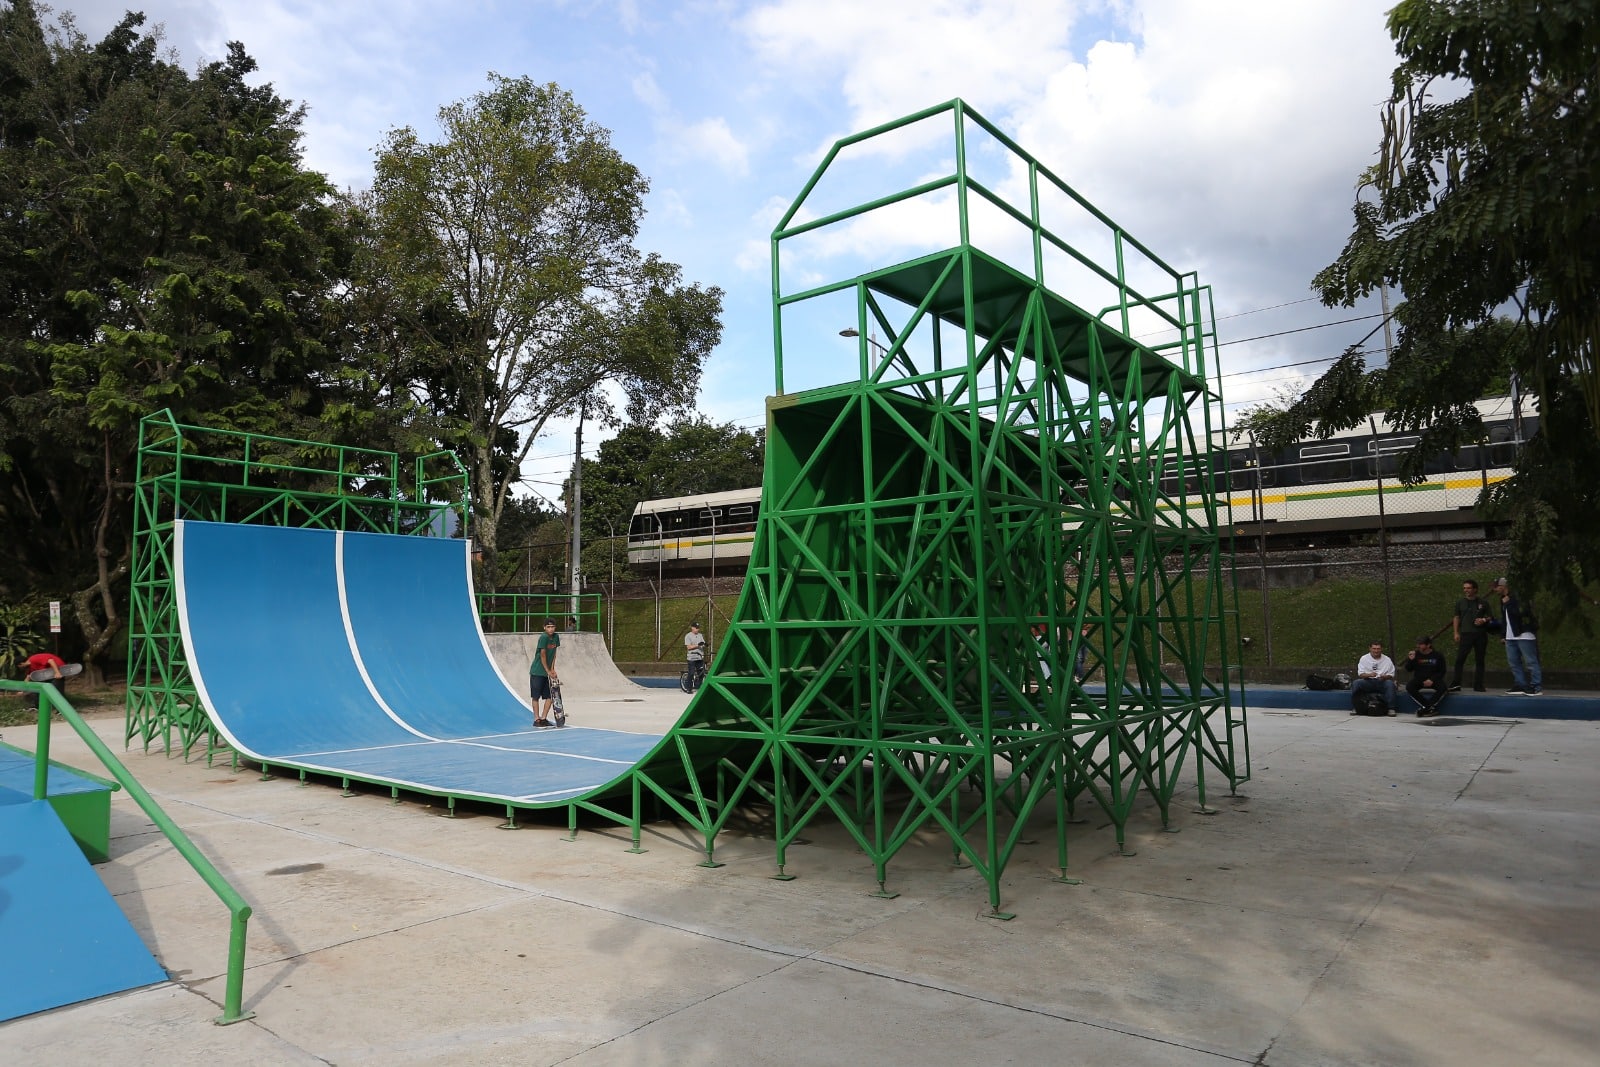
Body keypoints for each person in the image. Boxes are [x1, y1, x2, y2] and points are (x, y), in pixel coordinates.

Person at [1493, 577, 1543, 695]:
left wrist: (1508, 603)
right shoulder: (1503, 599)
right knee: (1514, 661)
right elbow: (1505, 618)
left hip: (1524, 634)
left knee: (1530, 661)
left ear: (1503, 586)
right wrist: (1503, 634)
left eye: (1496, 587)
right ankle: (1520, 684)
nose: (1495, 589)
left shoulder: (1518, 597)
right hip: (1511, 636)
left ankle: (1536, 686)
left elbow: (1522, 613)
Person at [1449, 579, 1496, 692]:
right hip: (1466, 634)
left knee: (1480, 659)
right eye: (1464, 588)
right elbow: (1456, 617)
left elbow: (1491, 617)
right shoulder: (1460, 602)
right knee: (1460, 659)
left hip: (1480, 634)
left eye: (1469, 588)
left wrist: (1483, 620)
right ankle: (1456, 683)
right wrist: (1456, 632)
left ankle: (1478, 684)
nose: (1466, 590)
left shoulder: (1483, 602)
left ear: (1475, 589)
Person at [1402, 635, 1448, 716]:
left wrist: (1432, 680)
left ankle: (1426, 708)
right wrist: (1410, 660)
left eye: (1421, 644)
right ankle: (1428, 707)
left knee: (1443, 688)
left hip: (1433, 679)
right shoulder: (1415, 654)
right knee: (1409, 686)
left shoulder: (1437, 655)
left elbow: (1442, 671)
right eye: (1417, 644)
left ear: (1428, 645)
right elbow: (1408, 669)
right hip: (1419, 679)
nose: (1418, 646)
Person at [528, 620, 561, 727]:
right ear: (544, 628)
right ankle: (537, 719)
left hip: (548, 672)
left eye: (552, 627)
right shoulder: (543, 637)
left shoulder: (556, 637)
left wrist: (552, 669)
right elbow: (543, 655)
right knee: (536, 697)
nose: (550, 629)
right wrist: (548, 671)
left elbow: (554, 653)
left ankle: (543, 718)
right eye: (548, 627)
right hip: (537, 671)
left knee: (551, 696)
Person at [1351, 640, 1398, 714]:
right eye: (1374, 648)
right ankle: (1357, 707)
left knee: (1390, 684)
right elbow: (1360, 674)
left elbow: (1391, 674)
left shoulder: (1387, 660)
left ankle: (1391, 708)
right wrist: (1369, 675)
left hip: (1382, 681)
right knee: (1356, 683)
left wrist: (1385, 677)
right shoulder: (1364, 658)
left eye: (1378, 649)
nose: (1376, 651)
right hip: (1368, 681)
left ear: (1381, 649)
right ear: (1370, 648)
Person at [684, 622, 707, 691]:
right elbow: (688, 647)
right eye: (696, 628)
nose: (697, 629)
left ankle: (698, 686)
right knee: (691, 673)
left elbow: (702, 643)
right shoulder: (688, 636)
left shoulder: (700, 635)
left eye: (698, 628)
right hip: (692, 658)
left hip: (699, 657)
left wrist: (705, 645)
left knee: (701, 673)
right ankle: (689, 688)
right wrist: (697, 645)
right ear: (692, 628)